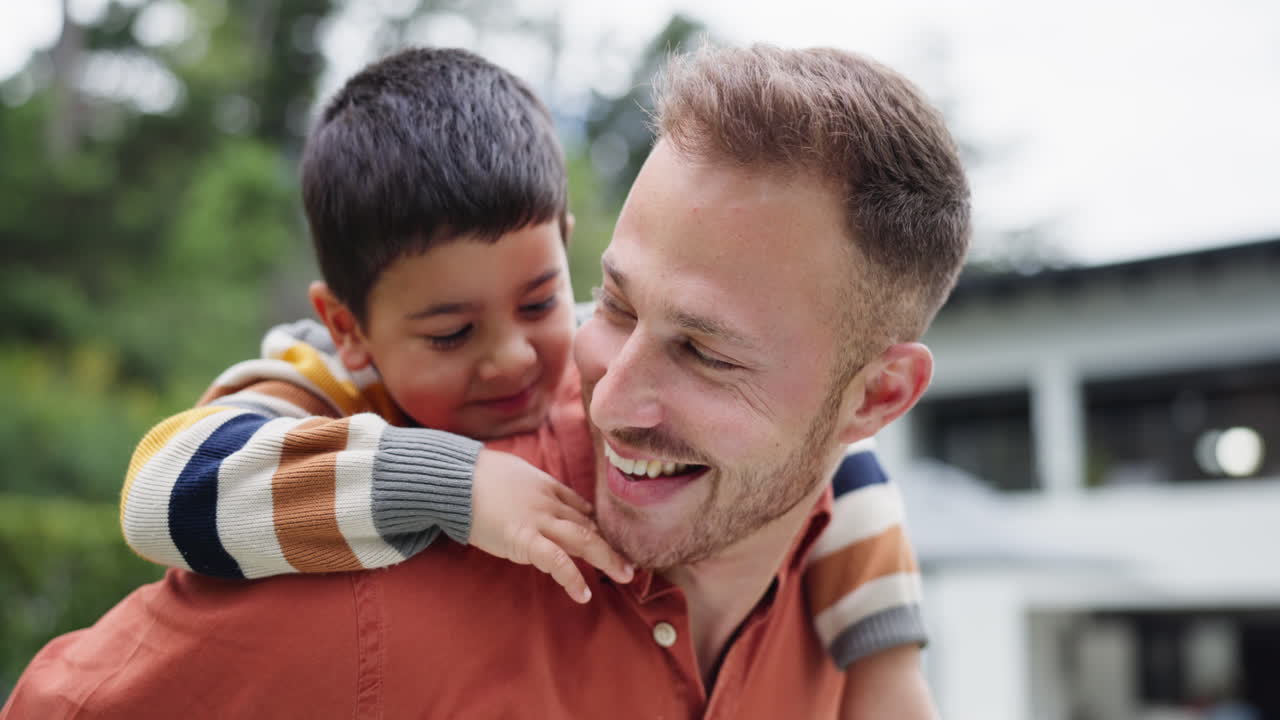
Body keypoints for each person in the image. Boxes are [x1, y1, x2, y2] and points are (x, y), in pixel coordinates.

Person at [2, 43, 966, 719]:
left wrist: (888, 667)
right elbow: (160, 501)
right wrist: (450, 486)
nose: (607, 393)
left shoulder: (834, 553)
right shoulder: (325, 449)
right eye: (618, 309)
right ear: (354, 331)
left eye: (708, 353)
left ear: (872, 399)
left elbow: (843, 481)